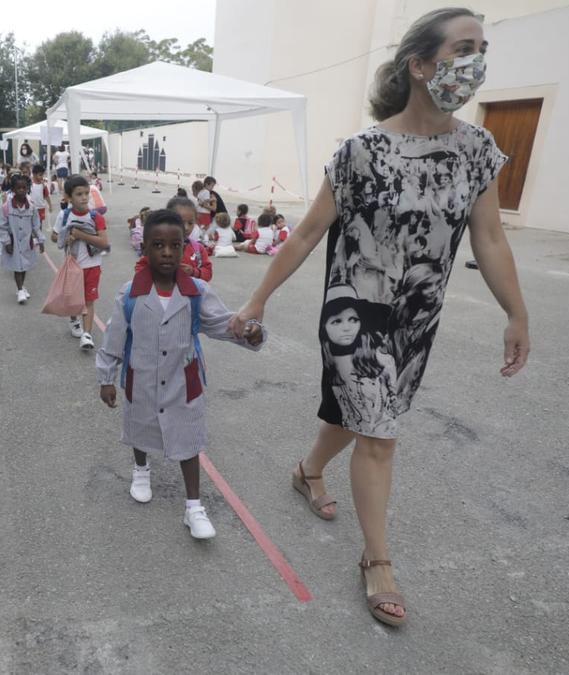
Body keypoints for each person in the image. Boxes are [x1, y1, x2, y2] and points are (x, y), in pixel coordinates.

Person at [228, 7, 529, 628]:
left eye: (481, 47)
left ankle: (307, 470)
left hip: (415, 321)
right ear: (420, 65)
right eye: (463, 48)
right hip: (354, 313)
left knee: (361, 417)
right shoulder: (360, 152)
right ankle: (378, 561)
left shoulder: (478, 151)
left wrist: (516, 313)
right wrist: (257, 299)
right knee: (379, 433)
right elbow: (309, 232)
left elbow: (491, 240)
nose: (475, 61)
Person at [96, 208, 265, 539]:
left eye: (175, 245)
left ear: (185, 247)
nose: (167, 253)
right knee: (140, 426)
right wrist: (106, 378)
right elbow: (114, 337)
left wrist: (250, 331)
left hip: (182, 381)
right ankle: (141, 469)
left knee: (188, 441)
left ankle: (193, 507)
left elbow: (222, 322)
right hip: (140, 377)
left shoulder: (196, 291)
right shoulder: (129, 293)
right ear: (144, 247)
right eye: (158, 245)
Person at [55, 175, 109, 349]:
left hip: (92, 266)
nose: (84, 197)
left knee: (89, 301)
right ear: (69, 198)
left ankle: (87, 334)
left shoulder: (96, 217)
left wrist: (81, 235)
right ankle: (74, 320)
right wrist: (64, 236)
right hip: (73, 265)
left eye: (87, 193)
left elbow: (103, 243)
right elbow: (55, 236)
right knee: (73, 299)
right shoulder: (64, 216)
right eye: (79, 194)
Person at [138, 196, 213, 282]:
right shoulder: (156, 247)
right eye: (181, 221)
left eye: (190, 223)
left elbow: (208, 273)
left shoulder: (198, 249)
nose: (186, 227)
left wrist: (194, 272)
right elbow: (140, 267)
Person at [0, 174, 46, 304]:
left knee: (24, 266)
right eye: (18, 188)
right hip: (13, 243)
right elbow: (2, 227)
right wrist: (6, 241)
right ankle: (19, 290)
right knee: (17, 266)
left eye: (24, 188)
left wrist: (41, 240)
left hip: (26, 242)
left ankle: (22, 287)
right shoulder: (6, 207)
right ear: (13, 189)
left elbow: (36, 226)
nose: (21, 190)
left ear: (28, 189)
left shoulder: (31, 207)